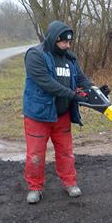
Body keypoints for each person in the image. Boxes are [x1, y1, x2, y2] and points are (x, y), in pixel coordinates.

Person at [22, 20, 92, 204]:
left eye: (69, 42)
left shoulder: (70, 58)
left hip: (62, 115)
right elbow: (47, 83)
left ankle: (69, 182)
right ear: (54, 39)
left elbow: (81, 78)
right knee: (36, 154)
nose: (67, 45)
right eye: (64, 42)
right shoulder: (35, 55)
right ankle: (35, 187)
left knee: (66, 152)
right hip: (39, 115)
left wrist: (94, 91)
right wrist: (73, 95)